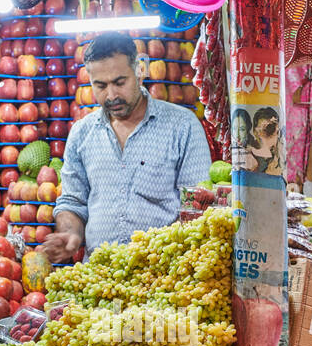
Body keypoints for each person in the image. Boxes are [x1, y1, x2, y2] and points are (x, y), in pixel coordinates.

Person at [41, 32, 211, 261]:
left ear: (140, 70)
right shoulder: (82, 133)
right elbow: (73, 201)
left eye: (120, 83)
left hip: (162, 279)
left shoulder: (182, 126)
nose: (111, 95)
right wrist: (70, 233)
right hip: (99, 278)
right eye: (100, 86)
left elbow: (197, 207)